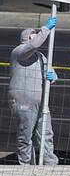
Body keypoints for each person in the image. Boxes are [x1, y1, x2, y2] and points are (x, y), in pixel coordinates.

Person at [9, 17, 59, 165]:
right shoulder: (19, 52)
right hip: (23, 100)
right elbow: (34, 43)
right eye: (33, 33)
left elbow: (52, 72)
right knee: (25, 134)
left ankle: (50, 163)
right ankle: (26, 164)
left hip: (41, 101)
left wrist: (52, 77)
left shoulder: (40, 56)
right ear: (26, 38)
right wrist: (46, 28)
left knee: (46, 134)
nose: (36, 35)